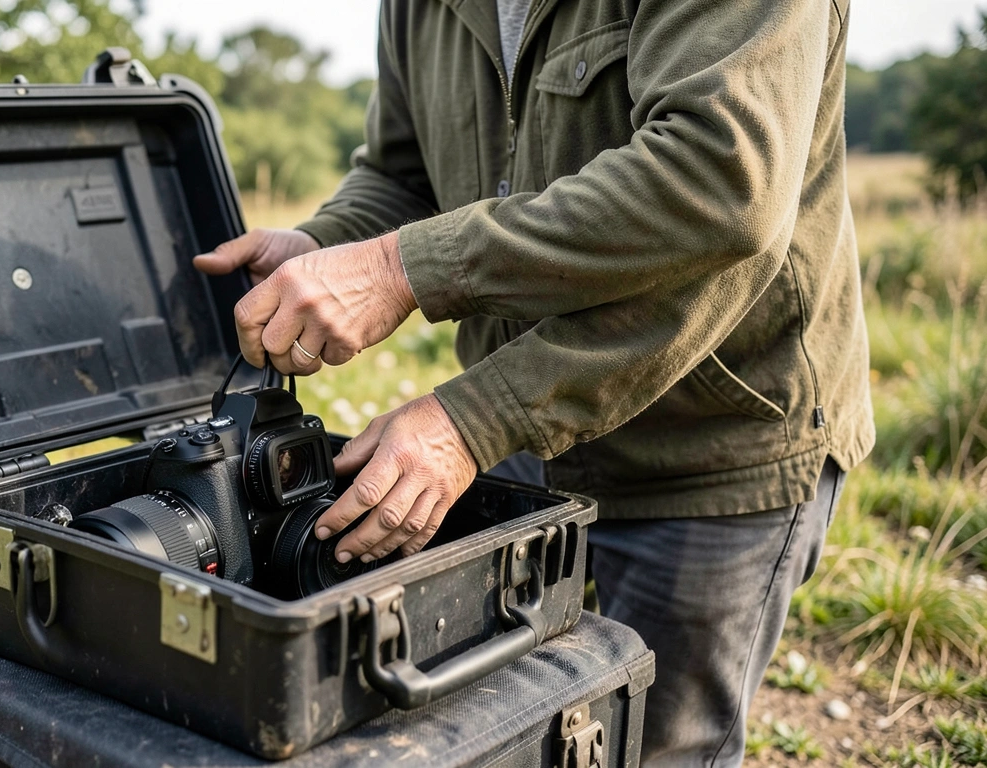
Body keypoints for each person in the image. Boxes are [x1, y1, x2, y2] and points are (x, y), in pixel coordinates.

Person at [193, 0, 872, 764]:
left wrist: (407, 292)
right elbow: (401, 174)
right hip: (530, 429)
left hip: (711, 439)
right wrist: (322, 246)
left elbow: (720, 179)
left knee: (659, 744)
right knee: (494, 726)